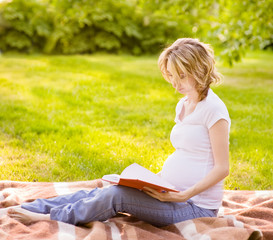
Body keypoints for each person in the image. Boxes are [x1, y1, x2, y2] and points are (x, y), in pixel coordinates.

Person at [8, 38, 230, 227]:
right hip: (168, 194)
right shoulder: (184, 104)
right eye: (171, 75)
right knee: (106, 189)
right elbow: (188, 154)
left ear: (199, 69)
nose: (175, 83)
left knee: (115, 196)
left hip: (194, 207)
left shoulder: (214, 110)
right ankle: (28, 208)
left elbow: (222, 168)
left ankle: (48, 219)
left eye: (181, 76)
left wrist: (182, 195)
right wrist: (155, 183)